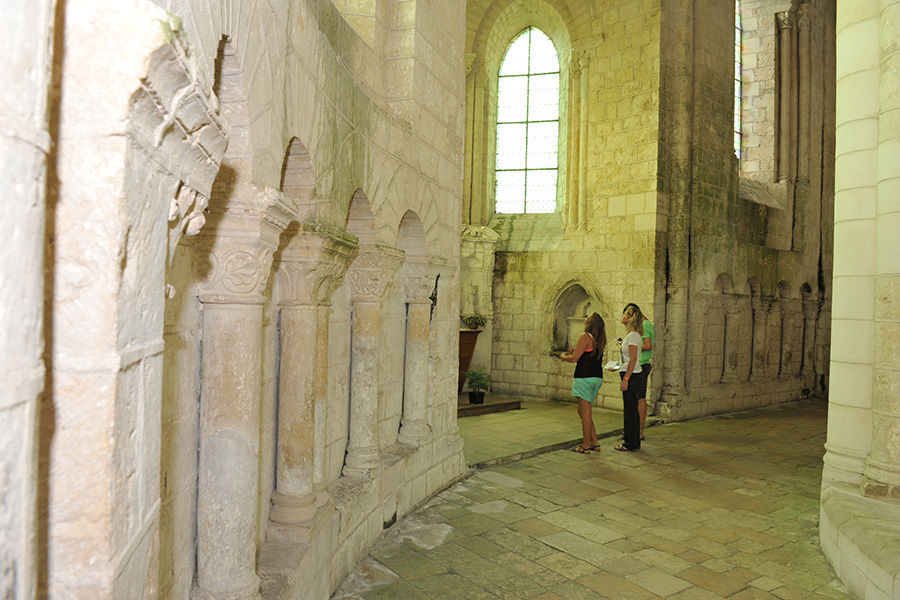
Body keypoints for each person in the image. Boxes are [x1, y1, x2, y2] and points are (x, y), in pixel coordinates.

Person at [560, 313, 607, 454]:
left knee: (585, 413)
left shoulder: (585, 337)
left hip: (584, 377)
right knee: (583, 411)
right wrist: (576, 352)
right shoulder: (600, 339)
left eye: (587, 318)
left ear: (589, 323)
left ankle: (586, 446)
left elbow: (574, 358)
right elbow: (587, 355)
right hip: (596, 378)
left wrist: (564, 356)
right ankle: (595, 442)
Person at [612, 305, 643, 451]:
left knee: (630, 412)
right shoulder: (630, 335)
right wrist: (617, 367)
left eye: (625, 313)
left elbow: (633, 359)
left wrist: (626, 379)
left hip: (632, 376)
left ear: (630, 318)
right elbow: (627, 360)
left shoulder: (632, 336)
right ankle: (633, 442)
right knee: (631, 410)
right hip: (630, 373)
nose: (622, 315)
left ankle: (630, 443)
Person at [624, 302, 653, 440]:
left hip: (641, 365)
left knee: (640, 399)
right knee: (633, 401)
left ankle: (639, 433)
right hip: (638, 365)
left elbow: (648, 345)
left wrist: (633, 346)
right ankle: (633, 432)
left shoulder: (645, 325)